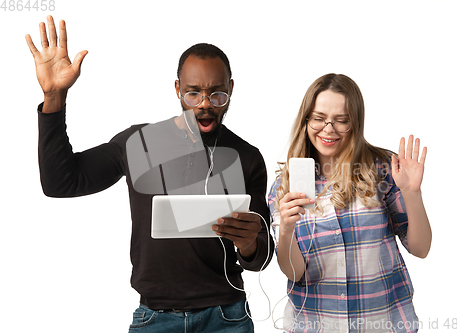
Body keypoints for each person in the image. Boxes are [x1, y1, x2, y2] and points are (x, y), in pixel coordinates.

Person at [26, 16, 273, 333]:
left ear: (231, 90)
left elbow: (261, 258)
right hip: (156, 318)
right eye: (193, 93)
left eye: (217, 94)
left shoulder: (247, 157)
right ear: (177, 89)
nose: (205, 105)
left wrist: (251, 243)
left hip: (227, 318)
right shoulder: (138, 142)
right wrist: (54, 98)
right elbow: (61, 183)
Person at [268, 73, 431, 333]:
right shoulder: (284, 187)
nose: (328, 129)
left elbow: (421, 248)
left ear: (355, 122)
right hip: (316, 325)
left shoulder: (383, 168)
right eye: (319, 119)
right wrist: (286, 231)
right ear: (306, 119)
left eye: (341, 121)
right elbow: (295, 274)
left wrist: (412, 193)